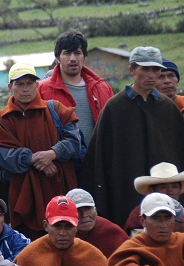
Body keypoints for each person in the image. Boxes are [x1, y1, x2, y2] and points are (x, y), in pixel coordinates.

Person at [80, 46, 184, 227]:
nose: (151, 75)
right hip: (125, 198)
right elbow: (98, 160)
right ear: (132, 70)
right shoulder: (114, 108)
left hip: (166, 203)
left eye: (155, 69)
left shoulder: (167, 108)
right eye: (145, 69)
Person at [0, 62, 81, 236]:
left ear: (37, 85)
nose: (25, 89)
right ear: (10, 87)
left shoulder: (56, 110)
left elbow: (74, 143)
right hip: (21, 196)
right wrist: (35, 159)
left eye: (30, 83)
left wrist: (53, 153)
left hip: (58, 190)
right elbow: (4, 157)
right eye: (19, 84)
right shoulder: (0, 121)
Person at [37, 29, 113, 143]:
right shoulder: (41, 90)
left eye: (77, 53)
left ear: (84, 56)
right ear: (57, 58)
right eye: (67, 53)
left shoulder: (102, 88)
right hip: (59, 160)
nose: (73, 58)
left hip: (98, 160)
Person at [66, 188, 127, 258]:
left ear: (96, 211)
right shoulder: (63, 234)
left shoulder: (111, 231)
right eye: (77, 210)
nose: (84, 214)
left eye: (88, 208)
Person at [126, 162, 184, 233]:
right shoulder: (139, 212)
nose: (170, 191)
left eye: (175, 187)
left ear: (180, 189)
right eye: (163, 187)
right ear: (152, 190)